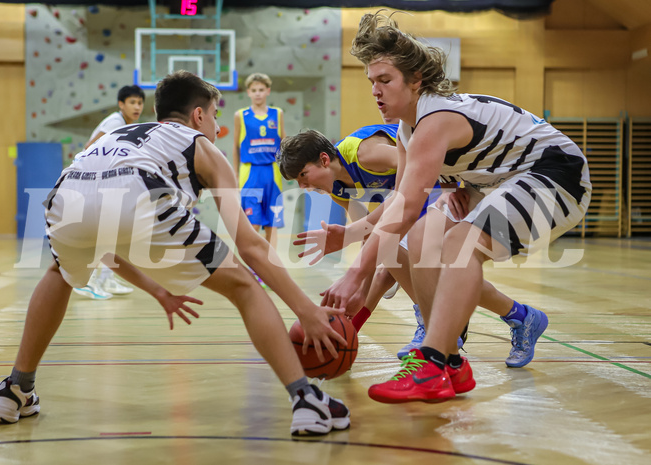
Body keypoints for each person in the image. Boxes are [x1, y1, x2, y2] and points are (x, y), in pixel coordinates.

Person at [0, 71, 351, 436]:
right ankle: (305, 398)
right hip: (140, 190)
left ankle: (15, 387)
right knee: (243, 285)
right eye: (216, 115)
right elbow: (251, 245)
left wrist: (157, 289)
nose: (218, 127)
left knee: (60, 273)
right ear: (198, 116)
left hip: (67, 195)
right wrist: (307, 310)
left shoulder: (115, 134)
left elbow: (106, 236)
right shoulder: (203, 146)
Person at [299, 12, 591, 404]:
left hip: (556, 173)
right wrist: (351, 236)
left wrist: (355, 276)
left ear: (415, 80)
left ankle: (432, 361)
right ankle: (452, 359)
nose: (375, 91)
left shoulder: (435, 118)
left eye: (385, 80)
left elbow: (404, 206)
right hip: (496, 180)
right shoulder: (407, 129)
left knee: (459, 246)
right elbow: (399, 208)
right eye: (372, 82)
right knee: (422, 239)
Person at [277, 124, 543, 364]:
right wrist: (360, 288)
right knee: (413, 264)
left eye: (303, 175)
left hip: (447, 183)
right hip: (412, 199)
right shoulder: (336, 187)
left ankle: (435, 324)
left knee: (411, 260)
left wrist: (454, 185)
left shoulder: (365, 154)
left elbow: (424, 163)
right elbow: (371, 235)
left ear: (324, 160)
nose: (303, 186)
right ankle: (519, 316)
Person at [73, 85, 146, 300]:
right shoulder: (115, 122)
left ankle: (106, 277)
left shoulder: (127, 125)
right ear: (121, 104)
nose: (137, 107)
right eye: (132, 102)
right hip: (91, 182)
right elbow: (90, 147)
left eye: (140, 103)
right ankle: (86, 281)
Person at [232, 73, 286, 257]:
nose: (257, 94)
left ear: (268, 91)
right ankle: (254, 268)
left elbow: (284, 144)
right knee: (252, 225)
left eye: (261, 90)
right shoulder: (240, 115)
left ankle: (271, 266)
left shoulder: (277, 114)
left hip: (273, 173)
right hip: (250, 174)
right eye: (254, 90)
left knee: (272, 226)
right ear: (248, 92)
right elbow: (236, 146)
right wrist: (235, 175)